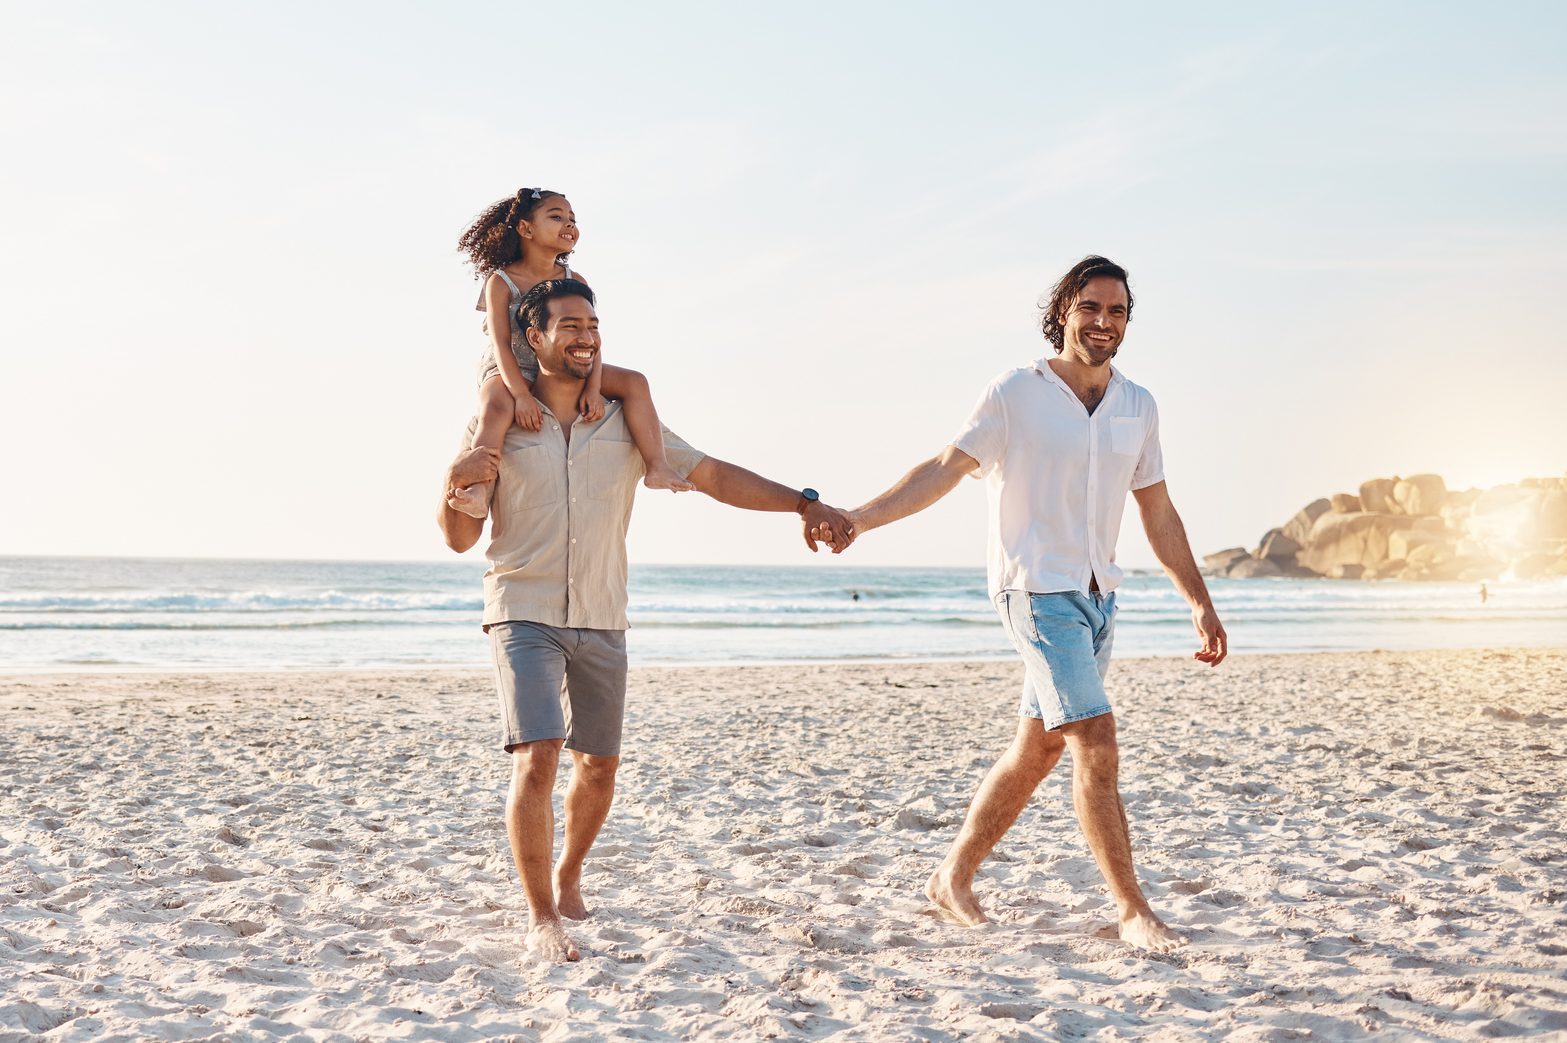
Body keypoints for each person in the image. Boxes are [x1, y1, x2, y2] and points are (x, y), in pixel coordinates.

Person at [814, 256, 1227, 953]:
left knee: (1036, 750)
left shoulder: (1137, 405)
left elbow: (1157, 510)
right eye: (1090, 308)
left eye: (1117, 311)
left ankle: (950, 877)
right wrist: (859, 516)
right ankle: (1131, 908)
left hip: (1098, 595)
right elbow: (944, 468)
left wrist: (1198, 599)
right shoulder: (1016, 392)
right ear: (1062, 310)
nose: (1103, 322)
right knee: (1095, 741)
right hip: (1034, 589)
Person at [437, 279, 852, 963]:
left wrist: (803, 503)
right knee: (539, 752)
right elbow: (458, 534)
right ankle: (541, 916)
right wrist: (451, 484)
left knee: (598, 767)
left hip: (602, 611)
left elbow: (713, 473)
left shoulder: (625, 417)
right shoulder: (502, 418)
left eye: (593, 324)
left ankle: (568, 873)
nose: (584, 335)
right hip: (522, 609)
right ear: (530, 337)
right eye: (568, 323)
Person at [447, 187, 692, 520]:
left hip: (566, 365)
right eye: (557, 216)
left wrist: (593, 387)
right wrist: (520, 395)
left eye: (572, 219)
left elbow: (591, 338)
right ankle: (477, 488)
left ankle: (658, 466)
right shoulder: (502, 281)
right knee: (495, 406)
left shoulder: (574, 279)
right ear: (525, 228)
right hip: (509, 367)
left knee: (635, 382)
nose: (569, 224)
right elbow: (502, 343)